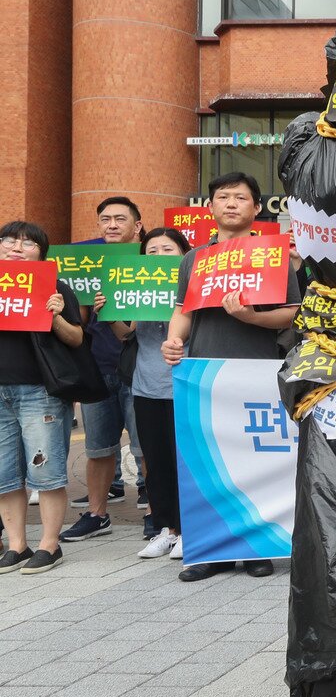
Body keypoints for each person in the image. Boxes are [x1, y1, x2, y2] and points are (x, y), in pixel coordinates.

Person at [162, 172, 300, 581]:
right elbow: (183, 311)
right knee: (205, 462)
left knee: (254, 459)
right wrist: (173, 341)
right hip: (205, 373)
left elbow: (292, 312)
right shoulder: (194, 259)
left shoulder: (271, 253)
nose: (231, 203)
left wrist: (250, 317)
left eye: (241, 197)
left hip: (256, 369)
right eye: (223, 197)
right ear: (210, 207)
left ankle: (256, 548)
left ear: (257, 208)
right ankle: (210, 550)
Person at [96, 228, 191, 560]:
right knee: (156, 459)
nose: (159, 256)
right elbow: (127, 334)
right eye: (152, 251)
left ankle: (189, 529)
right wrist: (108, 315)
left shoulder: (193, 285)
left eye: (168, 249)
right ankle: (166, 528)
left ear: (184, 254)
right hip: (147, 385)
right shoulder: (137, 287)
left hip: (186, 383)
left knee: (186, 460)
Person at [0, 222, 86, 574]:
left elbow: (77, 338)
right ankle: (17, 545)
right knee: (4, 474)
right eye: (9, 241)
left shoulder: (56, 287)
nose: (17, 248)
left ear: (42, 253)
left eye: (28, 243)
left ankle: (50, 544)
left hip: (40, 392)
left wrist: (53, 317)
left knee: (46, 471)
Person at [61, 196, 147, 545]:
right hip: (98, 368)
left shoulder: (152, 261)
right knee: (97, 449)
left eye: (120, 219)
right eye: (105, 220)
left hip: (141, 367)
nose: (111, 225)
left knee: (145, 449)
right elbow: (79, 323)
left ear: (137, 226)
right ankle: (97, 514)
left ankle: (157, 514)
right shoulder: (88, 264)